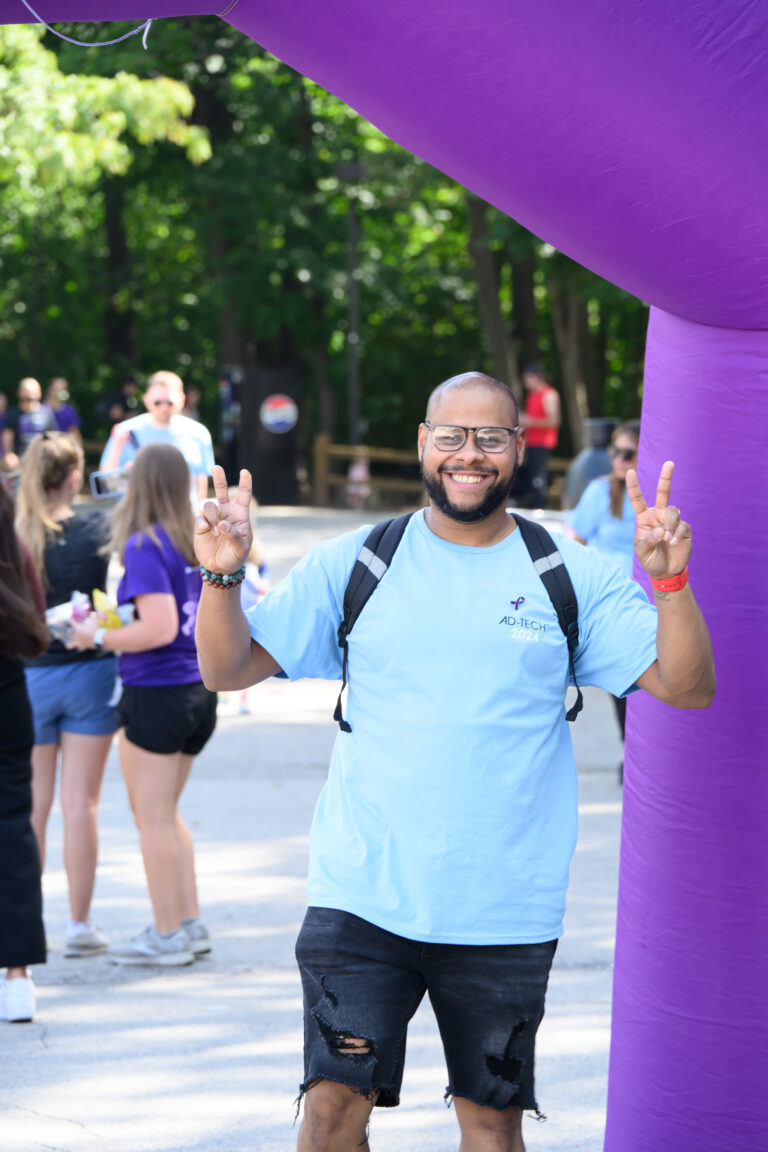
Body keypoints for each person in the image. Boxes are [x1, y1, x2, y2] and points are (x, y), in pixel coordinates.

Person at [193, 371, 715, 1152]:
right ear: (423, 444)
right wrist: (224, 572)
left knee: (491, 1122)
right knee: (332, 1108)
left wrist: (670, 583)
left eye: (491, 437)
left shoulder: (564, 571)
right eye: (453, 436)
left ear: (519, 448)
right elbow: (227, 669)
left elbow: (687, 685)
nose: (470, 454)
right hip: (361, 893)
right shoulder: (361, 561)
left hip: (504, 904)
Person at [68, 443, 217, 967]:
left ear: (145, 483)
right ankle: (189, 923)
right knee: (167, 814)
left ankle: (167, 934)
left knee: (151, 817)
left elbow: (157, 628)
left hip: (157, 692)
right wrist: (115, 627)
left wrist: (96, 637)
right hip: (199, 689)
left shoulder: (144, 544)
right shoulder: (193, 539)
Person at [16, 433, 118, 958]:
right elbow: (105, 606)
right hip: (89, 674)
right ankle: (80, 923)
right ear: (76, 477)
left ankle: (24, 919)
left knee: (32, 805)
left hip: (30, 676)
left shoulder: (19, 531)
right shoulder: (99, 527)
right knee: (81, 804)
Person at [0, 484, 48, 1023]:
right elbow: (35, 629)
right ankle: (17, 977)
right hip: (9, 691)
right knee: (13, 827)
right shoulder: (16, 550)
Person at [567, 419, 641, 772]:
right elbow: (575, 542)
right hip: (612, 604)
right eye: (617, 452)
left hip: (653, 602)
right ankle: (632, 752)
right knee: (624, 684)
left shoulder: (659, 494)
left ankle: (642, 753)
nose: (620, 460)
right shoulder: (600, 492)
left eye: (630, 453)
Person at [99, 371, 214, 510]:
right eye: (158, 402)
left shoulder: (198, 433)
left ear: (182, 400)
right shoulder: (126, 431)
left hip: (182, 521)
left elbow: (200, 481)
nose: (164, 407)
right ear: (146, 399)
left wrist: (199, 518)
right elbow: (105, 485)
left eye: (169, 402)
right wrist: (119, 452)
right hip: (136, 519)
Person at [0, 379, 58, 491]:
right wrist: (9, 455)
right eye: (26, 390)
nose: (29, 394)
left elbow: (52, 438)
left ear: (39, 392)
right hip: (19, 460)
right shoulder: (13, 414)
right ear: (19, 392)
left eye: (32, 390)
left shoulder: (46, 414)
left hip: (41, 459)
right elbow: (7, 436)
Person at [519, 363, 560, 508]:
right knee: (530, 475)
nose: (525, 382)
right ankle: (532, 504)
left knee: (538, 477)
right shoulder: (532, 395)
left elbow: (554, 420)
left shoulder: (549, 394)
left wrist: (528, 421)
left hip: (543, 442)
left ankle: (539, 506)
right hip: (531, 442)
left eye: (528, 378)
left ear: (537, 377)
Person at [45, 378, 82, 444]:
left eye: (61, 389)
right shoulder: (42, 409)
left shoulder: (69, 411)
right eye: (55, 389)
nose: (57, 392)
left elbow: (74, 432)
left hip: (64, 446)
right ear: (50, 389)